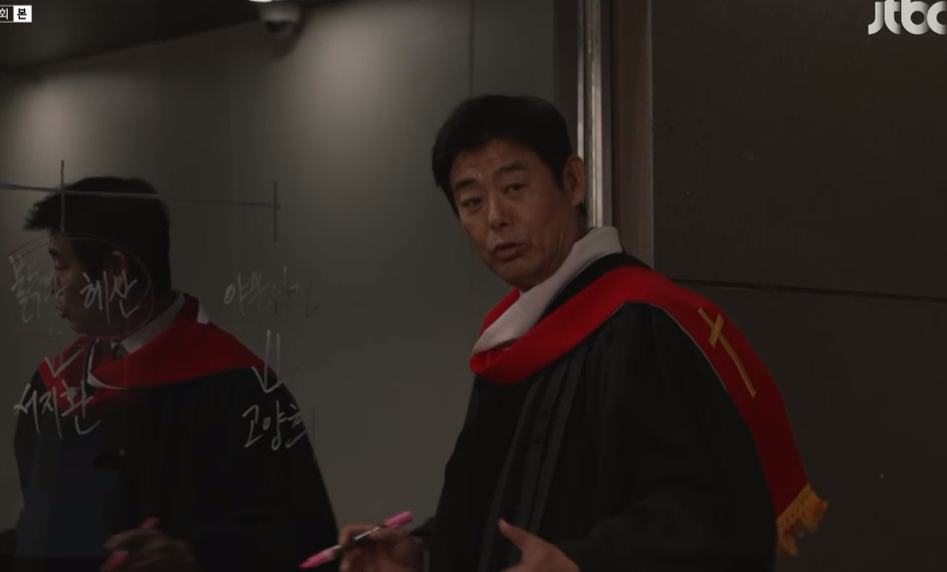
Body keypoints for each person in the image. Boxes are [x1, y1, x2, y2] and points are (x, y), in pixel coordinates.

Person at [337, 96, 827, 572]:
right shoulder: (510, 344)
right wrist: (423, 553)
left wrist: (585, 562)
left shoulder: (642, 324)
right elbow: (509, 507)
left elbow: (716, 515)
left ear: (572, 182)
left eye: (514, 188)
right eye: (471, 201)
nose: (495, 217)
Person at [0, 177, 339, 572]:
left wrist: (194, 556)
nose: (52, 285)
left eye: (60, 264)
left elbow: (306, 538)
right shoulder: (54, 390)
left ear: (115, 271)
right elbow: (50, 532)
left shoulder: (241, 389)